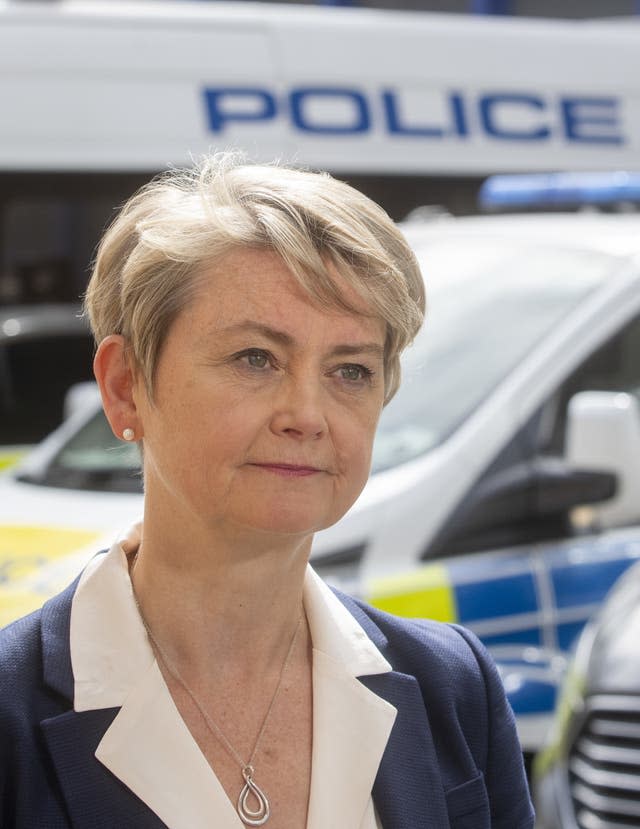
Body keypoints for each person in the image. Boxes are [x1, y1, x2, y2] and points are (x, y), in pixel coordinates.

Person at [0, 154, 534, 829]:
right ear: (125, 385)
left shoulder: (453, 688)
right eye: (256, 357)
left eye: (350, 370)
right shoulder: (12, 711)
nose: (307, 413)